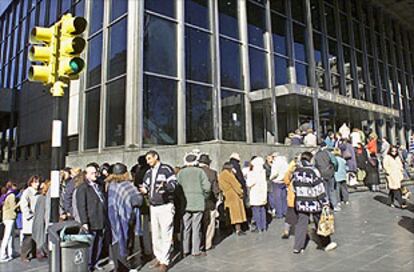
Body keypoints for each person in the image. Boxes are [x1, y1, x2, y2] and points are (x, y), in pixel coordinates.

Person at [292, 151, 337, 253]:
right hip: (314, 201)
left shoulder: (296, 171)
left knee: (301, 224)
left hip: (301, 201)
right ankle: (326, 243)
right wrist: (325, 202)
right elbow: (319, 188)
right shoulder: (313, 171)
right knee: (320, 222)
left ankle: (298, 247)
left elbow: (294, 186)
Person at [139, 150, 177, 272]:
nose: (148, 161)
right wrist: (144, 189)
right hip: (153, 206)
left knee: (166, 232)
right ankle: (159, 257)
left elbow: (174, 183)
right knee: (155, 234)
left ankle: (165, 261)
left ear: (156, 157)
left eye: (149, 158)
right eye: (147, 159)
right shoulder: (148, 172)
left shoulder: (166, 169)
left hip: (165, 205)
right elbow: (145, 185)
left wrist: (166, 187)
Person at [107, 163, 143, 271]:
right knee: (125, 240)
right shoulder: (127, 185)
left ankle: (119, 265)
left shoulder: (111, 185)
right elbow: (138, 200)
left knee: (117, 240)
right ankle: (123, 267)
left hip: (113, 217)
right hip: (126, 217)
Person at [178, 153, 210, 257]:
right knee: (196, 226)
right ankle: (195, 250)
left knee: (186, 227)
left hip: (185, 203)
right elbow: (207, 187)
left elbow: (177, 187)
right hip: (198, 202)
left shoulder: (181, 173)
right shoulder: (200, 172)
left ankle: (185, 248)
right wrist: (203, 196)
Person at [76, 164, 107, 270]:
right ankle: (88, 265)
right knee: (91, 244)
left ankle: (96, 262)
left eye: (96, 173)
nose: (95, 175)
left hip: (100, 219)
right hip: (91, 219)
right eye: (93, 173)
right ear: (87, 175)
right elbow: (81, 206)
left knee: (99, 243)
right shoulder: (83, 188)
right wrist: (84, 222)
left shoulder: (98, 185)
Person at [218, 162, 247, 236]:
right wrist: (241, 192)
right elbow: (235, 184)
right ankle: (238, 230)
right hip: (234, 195)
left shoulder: (221, 175)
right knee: (236, 213)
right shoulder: (228, 174)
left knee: (229, 213)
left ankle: (231, 229)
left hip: (227, 195)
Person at [198, 153, 220, 252]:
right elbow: (215, 189)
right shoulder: (212, 173)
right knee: (210, 224)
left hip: (196, 202)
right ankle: (208, 244)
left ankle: (197, 244)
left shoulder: (196, 171)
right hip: (209, 202)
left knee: (198, 224)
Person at [20, 175, 40, 262]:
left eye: (38, 182)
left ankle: (34, 252)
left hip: (36, 218)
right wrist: (29, 215)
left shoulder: (38, 192)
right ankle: (24, 255)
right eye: (35, 182)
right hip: (30, 219)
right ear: (31, 183)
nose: (38, 184)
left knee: (35, 236)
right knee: (28, 237)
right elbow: (23, 204)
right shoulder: (27, 192)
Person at [246, 157, 268, 232]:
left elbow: (249, 184)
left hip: (255, 194)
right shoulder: (263, 172)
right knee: (262, 210)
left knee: (256, 211)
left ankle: (258, 227)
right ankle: (264, 227)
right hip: (262, 194)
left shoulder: (252, 173)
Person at [314, 143, 338, 210]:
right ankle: (335, 205)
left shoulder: (317, 154)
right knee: (332, 189)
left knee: (324, 190)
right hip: (330, 173)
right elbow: (335, 162)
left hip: (322, 174)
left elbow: (315, 165)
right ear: (326, 146)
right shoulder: (328, 153)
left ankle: (326, 205)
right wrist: (335, 169)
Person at [0, 182, 19, 263]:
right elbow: (13, 207)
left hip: (6, 217)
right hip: (10, 217)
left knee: (11, 235)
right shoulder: (12, 196)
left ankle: (11, 252)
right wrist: (19, 204)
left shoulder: (6, 194)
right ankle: (2, 254)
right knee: (7, 236)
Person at [32, 180, 51, 259]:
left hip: (42, 220)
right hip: (41, 220)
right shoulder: (42, 198)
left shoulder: (42, 197)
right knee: (41, 235)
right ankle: (40, 250)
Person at [281, 157, 299, 239]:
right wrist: (290, 168)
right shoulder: (290, 177)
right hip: (293, 200)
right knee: (290, 217)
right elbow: (286, 179)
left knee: (296, 217)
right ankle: (286, 232)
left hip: (297, 200)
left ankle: (289, 231)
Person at [270, 153, 289, 219]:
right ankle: (285, 212)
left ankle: (279, 213)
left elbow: (275, 173)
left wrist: (271, 178)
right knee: (284, 198)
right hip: (283, 181)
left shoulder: (276, 163)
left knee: (277, 198)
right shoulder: (285, 162)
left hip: (277, 181)